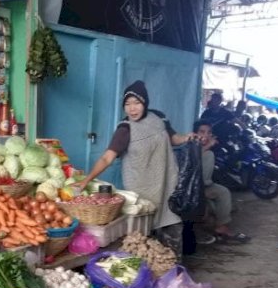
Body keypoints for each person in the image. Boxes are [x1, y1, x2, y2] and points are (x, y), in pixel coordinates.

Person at [74, 81, 196, 259]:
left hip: (167, 183)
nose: (132, 109)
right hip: (142, 189)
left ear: (145, 103)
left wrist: (186, 137)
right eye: (127, 104)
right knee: (145, 238)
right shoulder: (125, 129)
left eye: (136, 103)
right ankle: (149, 277)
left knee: (172, 228)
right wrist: (86, 180)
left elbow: (173, 138)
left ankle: (172, 275)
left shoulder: (159, 118)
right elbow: (107, 158)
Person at [193, 120, 249, 243]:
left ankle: (221, 228)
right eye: (202, 132)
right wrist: (208, 146)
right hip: (191, 188)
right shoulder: (191, 146)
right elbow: (191, 158)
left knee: (224, 192)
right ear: (194, 133)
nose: (206, 135)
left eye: (209, 132)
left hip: (204, 186)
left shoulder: (209, 149)